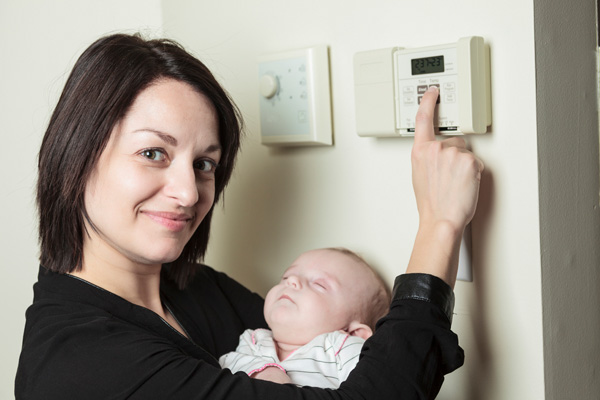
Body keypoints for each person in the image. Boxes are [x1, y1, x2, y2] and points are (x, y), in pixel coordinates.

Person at [15, 33, 484, 399]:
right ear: (77, 158)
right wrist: (439, 224)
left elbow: (348, 355)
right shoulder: (80, 363)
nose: (187, 193)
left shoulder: (195, 289)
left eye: (204, 164)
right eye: (153, 152)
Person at [219, 247, 391, 388]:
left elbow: (376, 386)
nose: (292, 280)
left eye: (319, 284)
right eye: (285, 276)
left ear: (354, 333)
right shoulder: (254, 340)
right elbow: (227, 365)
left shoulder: (341, 348)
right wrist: (267, 373)